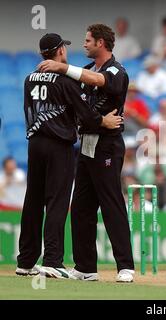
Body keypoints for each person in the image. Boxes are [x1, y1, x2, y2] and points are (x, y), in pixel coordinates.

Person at [16, 33, 122, 278]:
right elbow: (85, 113)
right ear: (60, 51)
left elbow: (28, 110)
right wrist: (102, 121)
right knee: (57, 200)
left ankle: (26, 261)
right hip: (58, 145)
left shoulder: (29, 79)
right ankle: (52, 260)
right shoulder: (65, 81)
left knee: (32, 201)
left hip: (35, 143)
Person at [38, 24, 135, 282]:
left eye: (88, 40)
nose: (84, 44)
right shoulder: (88, 70)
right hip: (87, 144)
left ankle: (125, 267)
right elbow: (81, 95)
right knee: (81, 207)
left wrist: (62, 67)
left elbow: (103, 82)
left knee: (112, 204)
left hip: (108, 145)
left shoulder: (116, 70)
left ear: (101, 43)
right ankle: (85, 267)